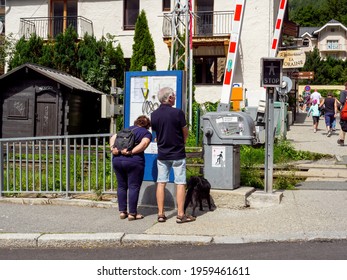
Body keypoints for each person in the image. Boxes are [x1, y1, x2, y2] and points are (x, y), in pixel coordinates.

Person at [151, 87, 195, 224]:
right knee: (180, 183)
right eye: (174, 96)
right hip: (177, 153)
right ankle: (181, 214)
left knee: (161, 182)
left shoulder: (154, 114)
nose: (175, 98)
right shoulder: (178, 113)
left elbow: (157, 133)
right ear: (169, 98)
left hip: (162, 153)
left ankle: (160, 214)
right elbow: (185, 131)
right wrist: (183, 141)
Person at [110, 115, 152, 221]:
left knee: (121, 186)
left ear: (136, 122)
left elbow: (113, 137)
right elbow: (144, 144)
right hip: (134, 161)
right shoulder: (146, 133)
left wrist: (112, 148)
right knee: (133, 186)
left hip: (117, 160)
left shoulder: (125, 130)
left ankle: (122, 212)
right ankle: (132, 214)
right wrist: (131, 152)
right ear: (147, 125)